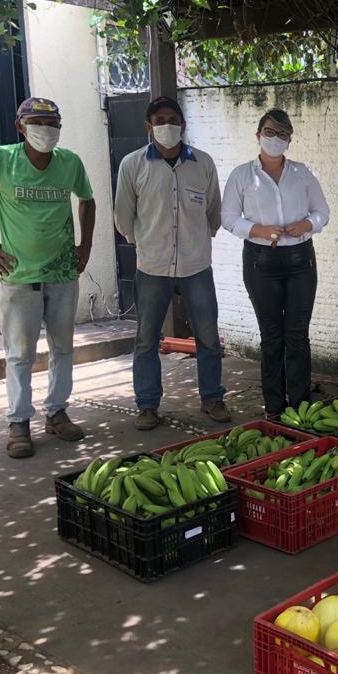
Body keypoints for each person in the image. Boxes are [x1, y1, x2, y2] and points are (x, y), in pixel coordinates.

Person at [0, 98, 96, 458]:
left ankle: (57, 413)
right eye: (37, 123)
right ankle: (18, 422)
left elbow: (87, 201)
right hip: (19, 275)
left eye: (52, 123)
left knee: (63, 348)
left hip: (63, 272)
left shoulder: (70, 162)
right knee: (19, 354)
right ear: (20, 126)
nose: (45, 130)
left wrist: (86, 245)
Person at [113, 96, 231, 430]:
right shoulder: (132, 165)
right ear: (148, 126)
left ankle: (212, 398)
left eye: (173, 120)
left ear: (184, 125)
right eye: (160, 120)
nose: (167, 125)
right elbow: (123, 216)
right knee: (146, 339)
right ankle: (147, 405)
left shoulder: (203, 163)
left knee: (207, 337)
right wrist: (144, 243)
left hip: (196, 266)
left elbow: (214, 211)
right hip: (152, 267)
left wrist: (199, 241)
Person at [221, 108, 329, 419]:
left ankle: (301, 406)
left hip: (300, 260)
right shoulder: (242, 175)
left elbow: (322, 212)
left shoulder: (302, 173)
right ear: (258, 135)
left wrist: (307, 225)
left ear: (289, 139)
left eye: (282, 134)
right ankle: (274, 408)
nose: (275, 138)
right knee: (271, 336)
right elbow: (228, 217)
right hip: (261, 262)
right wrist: (258, 230)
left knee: (297, 336)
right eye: (269, 132)